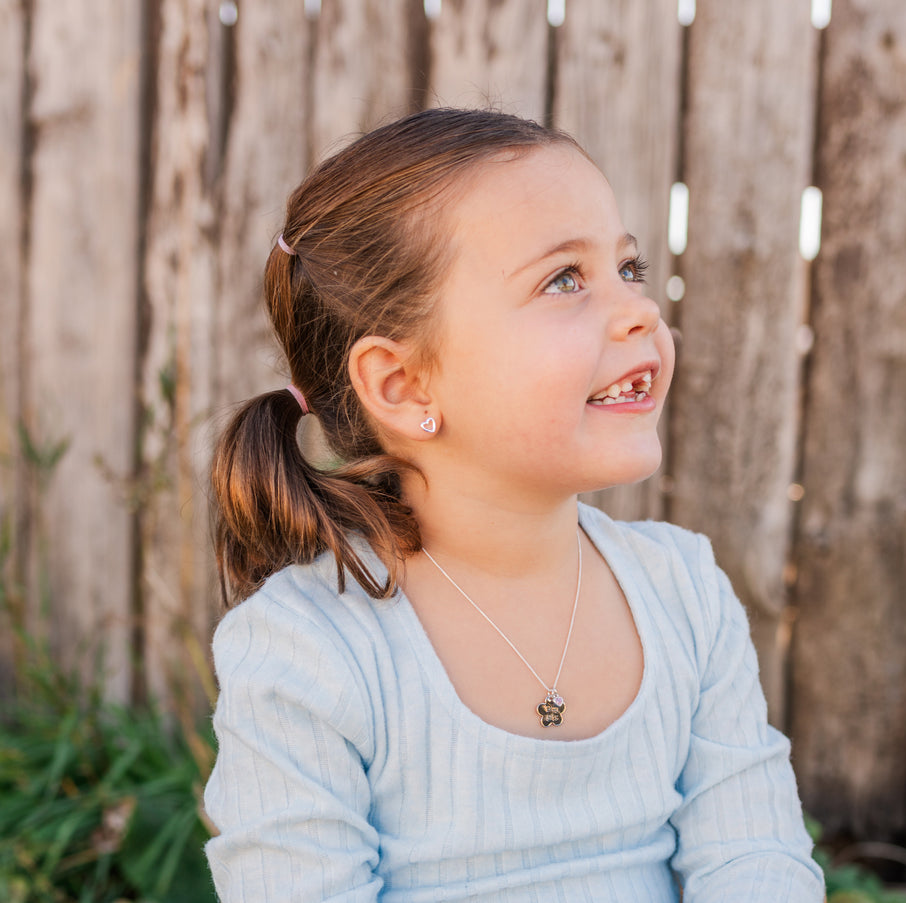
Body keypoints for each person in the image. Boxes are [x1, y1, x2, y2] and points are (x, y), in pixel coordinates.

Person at [204, 107, 824, 902]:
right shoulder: (309, 650)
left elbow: (756, 862)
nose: (640, 309)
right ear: (404, 385)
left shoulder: (684, 592)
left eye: (627, 268)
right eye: (564, 279)